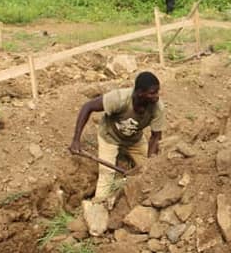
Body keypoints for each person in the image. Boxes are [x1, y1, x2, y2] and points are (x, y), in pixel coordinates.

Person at [68, 71, 164, 203]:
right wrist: (76, 140)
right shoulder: (119, 98)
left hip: (134, 140)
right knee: (106, 175)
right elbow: (88, 106)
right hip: (110, 137)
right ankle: (98, 206)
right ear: (140, 93)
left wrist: (150, 162)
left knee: (149, 171)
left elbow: (155, 137)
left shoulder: (157, 107)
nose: (157, 96)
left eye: (157, 91)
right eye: (152, 93)